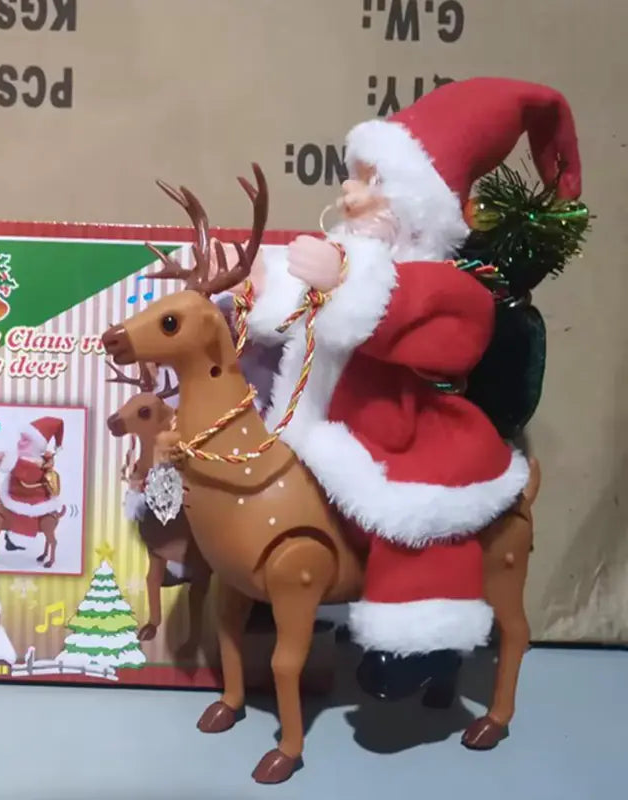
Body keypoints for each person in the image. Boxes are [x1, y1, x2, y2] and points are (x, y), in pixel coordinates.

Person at [217, 77, 582, 698]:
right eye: (353, 177)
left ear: (418, 206)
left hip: (397, 428)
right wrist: (262, 284)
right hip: (315, 419)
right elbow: (290, 306)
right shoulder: (344, 255)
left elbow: (432, 329)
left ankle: (419, 640)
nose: (348, 193)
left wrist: (345, 283)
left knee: (412, 517)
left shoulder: (443, 285)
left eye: (371, 181)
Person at [0, 416, 65, 538]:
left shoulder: (34, 464)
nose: (20, 442)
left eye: (26, 440)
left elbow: (24, 473)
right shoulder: (28, 459)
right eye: (21, 438)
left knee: (20, 519)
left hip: (26, 499)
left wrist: (5, 459)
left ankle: (19, 539)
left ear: (37, 445)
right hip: (16, 495)